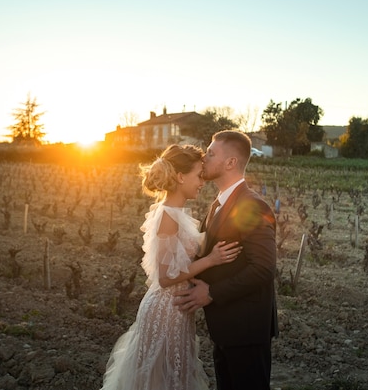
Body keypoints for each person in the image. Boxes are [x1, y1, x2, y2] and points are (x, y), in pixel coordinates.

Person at [101, 144, 243, 390]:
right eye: (198, 175)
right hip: (166, 309)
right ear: (180, 176)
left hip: (177, 309)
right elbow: (167, 277)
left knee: (173, 378)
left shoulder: (176, 213)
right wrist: (212, 260)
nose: (202, 181)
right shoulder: (168, 216)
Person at [174, 130, 278, 390]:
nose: (204, 158)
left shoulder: (252, 205)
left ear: (231, 163)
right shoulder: (218, 203)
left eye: (211, 153)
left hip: (246, 329)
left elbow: (263, 268)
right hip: (225, 327)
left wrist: (211, 292)